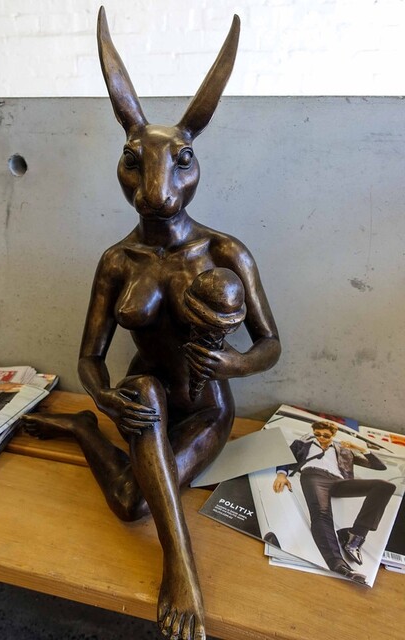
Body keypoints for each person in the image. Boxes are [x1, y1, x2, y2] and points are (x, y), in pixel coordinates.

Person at [22, 9, 280, 640]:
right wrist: (102, 395)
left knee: (130, 504)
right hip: (144, 401)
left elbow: (270, 344)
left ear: (191, 168)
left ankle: (83, 433)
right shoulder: (118, 261)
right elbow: (90, 356)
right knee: (139, 389)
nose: (156, 188)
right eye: (137, 165)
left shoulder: (225, 253)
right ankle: (181, 564)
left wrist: (233, 364)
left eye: (177, 163)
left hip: (205, 407)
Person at [273, 420, 396, 583]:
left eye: (325, 435)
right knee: (321, 514)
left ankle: (355, 536)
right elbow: (285, 457)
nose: (321, 438)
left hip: (339, 482)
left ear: (333, 435)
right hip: (314, 476)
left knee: (385, 486)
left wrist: (361, 449)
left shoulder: (344, 450)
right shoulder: (302, 444)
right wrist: (281, 475)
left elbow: (379, 467)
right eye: (317, 434)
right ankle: (338, 564)